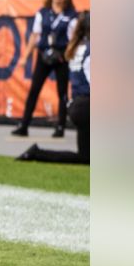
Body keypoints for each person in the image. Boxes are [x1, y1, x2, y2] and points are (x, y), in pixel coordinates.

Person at [17, 12, 89, 164]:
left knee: (85, 157)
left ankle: (38, 153)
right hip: (87, 106)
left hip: (78, 106)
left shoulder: (77, 47)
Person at [12, 0, 79, 137]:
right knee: (34, 89)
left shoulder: (71, 16)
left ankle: (60, 126)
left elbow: (74, 39)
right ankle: (24, 124)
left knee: (62, 92)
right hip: (44, 54)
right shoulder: (43, 13)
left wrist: (66, 55)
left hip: (61, 56)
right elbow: (35, 35)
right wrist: (25, 57)